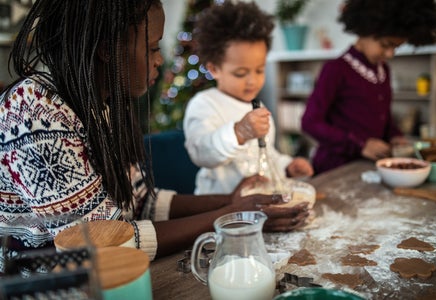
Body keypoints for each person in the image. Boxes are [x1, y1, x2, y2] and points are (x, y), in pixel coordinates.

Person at [0, 0, 310, 272]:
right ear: (109, 49)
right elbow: (102, 244)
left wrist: (230, 202)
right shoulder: (34, 112)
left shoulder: (100, 106)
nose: (159, 60)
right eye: (152, 47)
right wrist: (232, 215)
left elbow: (140, 201)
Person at [301, 0, 436, 174]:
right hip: (335, 168)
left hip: (369, 167)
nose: (390, 54)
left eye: (396, 47)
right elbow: (310, 122)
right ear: (364, 31)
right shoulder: (336, 69)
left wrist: (395, 136)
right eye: (386, 45)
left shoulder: (383, 70)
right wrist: (360, 145)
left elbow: (383, 118)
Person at [183, 1, 314, 196]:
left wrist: (287, 166)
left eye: (259, 70)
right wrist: (239, 132)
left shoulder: (256, 105)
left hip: (256, 204)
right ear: (214, 69)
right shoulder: (204, 104)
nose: (252, 81)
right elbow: (201, 153)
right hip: (218, 208)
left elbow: (266, 154)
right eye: (241, 73)